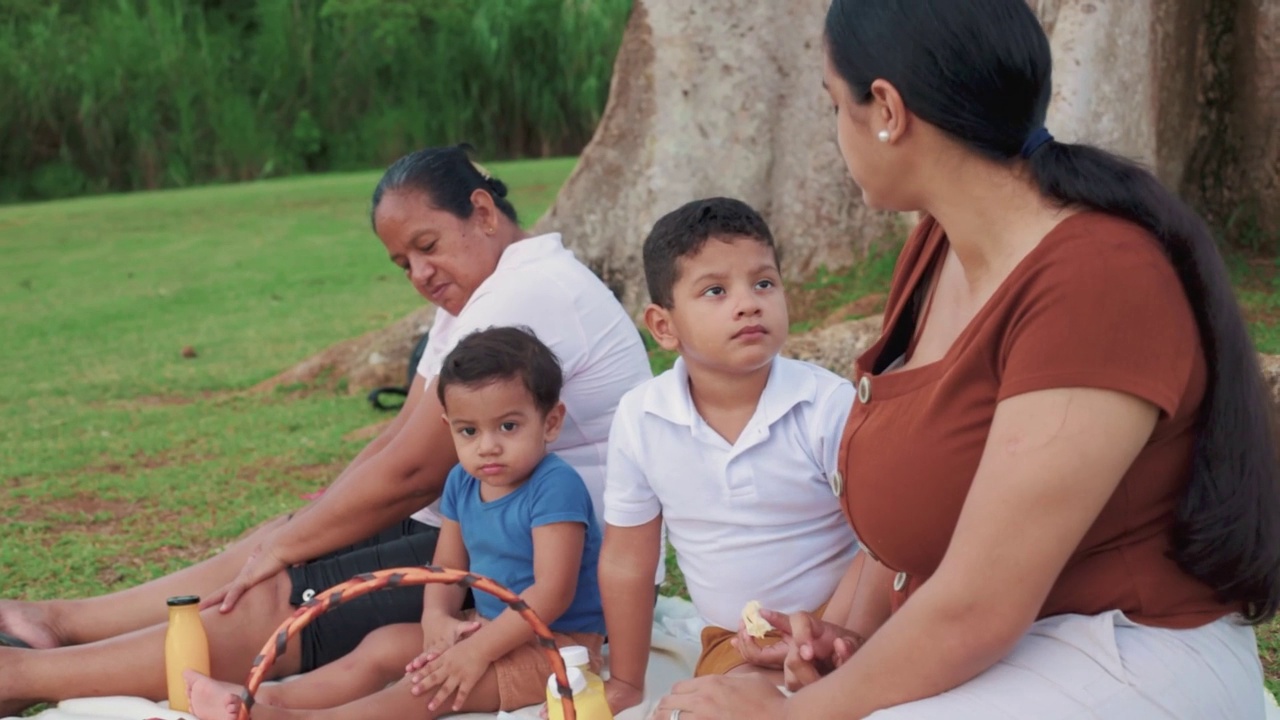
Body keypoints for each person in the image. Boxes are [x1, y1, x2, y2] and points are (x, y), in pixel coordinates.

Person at [650, 2, 1280, 719]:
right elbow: (915, 511)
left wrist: (788, 715)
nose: (836, 132)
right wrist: (841, 641)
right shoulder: (937, 249)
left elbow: (981, 604)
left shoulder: (1097, 278)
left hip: (1125, 652)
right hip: (1000, 647)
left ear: (885, 107)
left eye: (836, 105)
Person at [0, 145, 651, 716]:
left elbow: (412, 473)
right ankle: (57, 622)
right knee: (279, 543)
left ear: (482, 211)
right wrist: (298, 530)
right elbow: (396, 439)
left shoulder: (529, 292)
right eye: (404, 263)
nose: (420, 275)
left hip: (545, 548)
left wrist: (296, 548)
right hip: (484, 513)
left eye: (427, 246)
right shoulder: (483, 293)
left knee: (279, 590)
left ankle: (24, 674)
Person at [184, 326, 607, 720]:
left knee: (424, 688)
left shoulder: (555, 487)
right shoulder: (462, 481)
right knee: (382, 646)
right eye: (468, 432)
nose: (488, 447)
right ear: (450, 429)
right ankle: (260, 698)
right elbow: (446, 572)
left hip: (560, 648)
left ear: (550, 422)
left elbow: (552, 593)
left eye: (508, 426)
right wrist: (437, 620)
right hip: (488, 628)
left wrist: (477, 651)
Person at [598, 197, 859, 715]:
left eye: (763, 283)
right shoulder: (641, 417)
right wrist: (627, 682)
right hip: (735, 640)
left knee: (851, 692)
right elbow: (629, 561)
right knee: (701, 708)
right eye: (715, 291)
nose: (748, 303)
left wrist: (833, 632)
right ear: (663, 326)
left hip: (851, 619)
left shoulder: (826, 405)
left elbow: (883, 544)